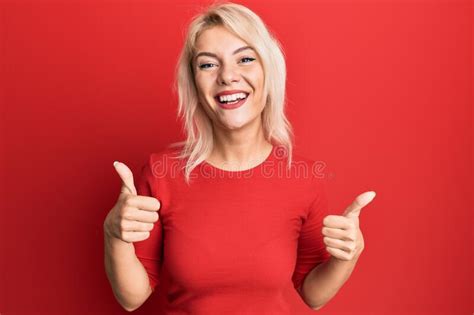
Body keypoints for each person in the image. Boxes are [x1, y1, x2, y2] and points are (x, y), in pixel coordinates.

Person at [103, 2, 376, 314]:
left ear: (268, 72)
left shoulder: (302, 178)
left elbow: (314, 294)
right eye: (208, 65)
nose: (228, 76)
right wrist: (113, 235)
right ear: (193, 83)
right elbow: (132, 297)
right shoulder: (161, 173)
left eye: (245, 59)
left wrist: (348, 255)